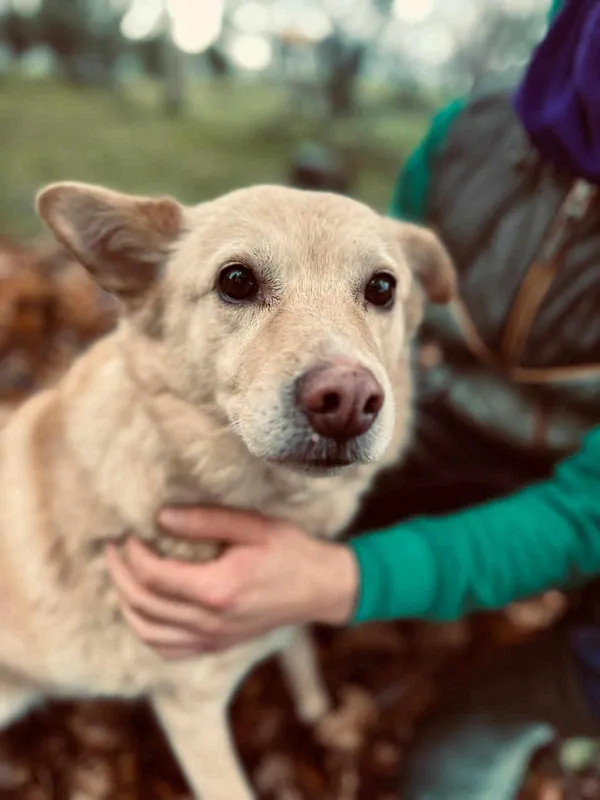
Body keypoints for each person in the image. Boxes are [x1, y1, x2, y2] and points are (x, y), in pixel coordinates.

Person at [107, 1, 600, 796]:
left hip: (587, 484)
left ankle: (518, 705)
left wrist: (340, 579)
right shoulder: (473, 124)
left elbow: (589, 513)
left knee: (445, 770)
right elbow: (370, 302)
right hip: (449, 417)